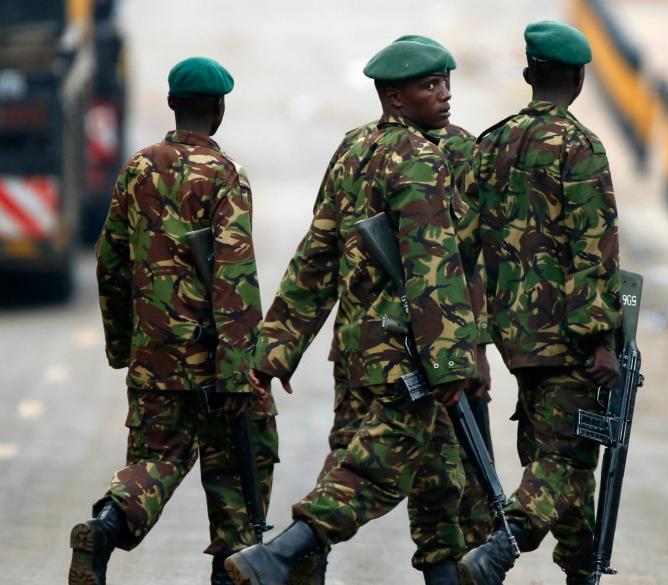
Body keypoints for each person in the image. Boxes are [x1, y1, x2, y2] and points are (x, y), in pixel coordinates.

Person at [223, 40, 480, 585]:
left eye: (445, 83)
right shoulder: (420, 159)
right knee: (371, 472)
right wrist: (452, 363)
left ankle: (301, 567)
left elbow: (315, 259)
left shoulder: (353, 150)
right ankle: (280, 555)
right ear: (395, 96)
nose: (445, 95)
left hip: (360, 351)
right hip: (407, 358)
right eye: (429, 86)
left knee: (439, 484)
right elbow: (432, 266)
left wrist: (275, 349)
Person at [67, 57, 278, 585]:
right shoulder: (225, 176)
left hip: (155, 359)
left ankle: (105, 527)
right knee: (237, 478)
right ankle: (230, 572)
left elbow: (110, 261)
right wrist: (237, 373)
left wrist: (125, 346)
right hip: (214, 364)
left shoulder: (137, 169)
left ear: (171, 105)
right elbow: (234, 279)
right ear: (220, 108)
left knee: (155, 463)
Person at [459, 21, 622, 585]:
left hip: (515, 338)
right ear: (578, 78)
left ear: (530, 73)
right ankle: (500, 548)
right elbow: (594, 247)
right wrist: (601, 338)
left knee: (559, 457)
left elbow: (468, 254)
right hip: (572, 337)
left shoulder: (488, 145)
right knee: (567, 460)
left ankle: (581, 573)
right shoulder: (580, 145)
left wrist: (480, 341)